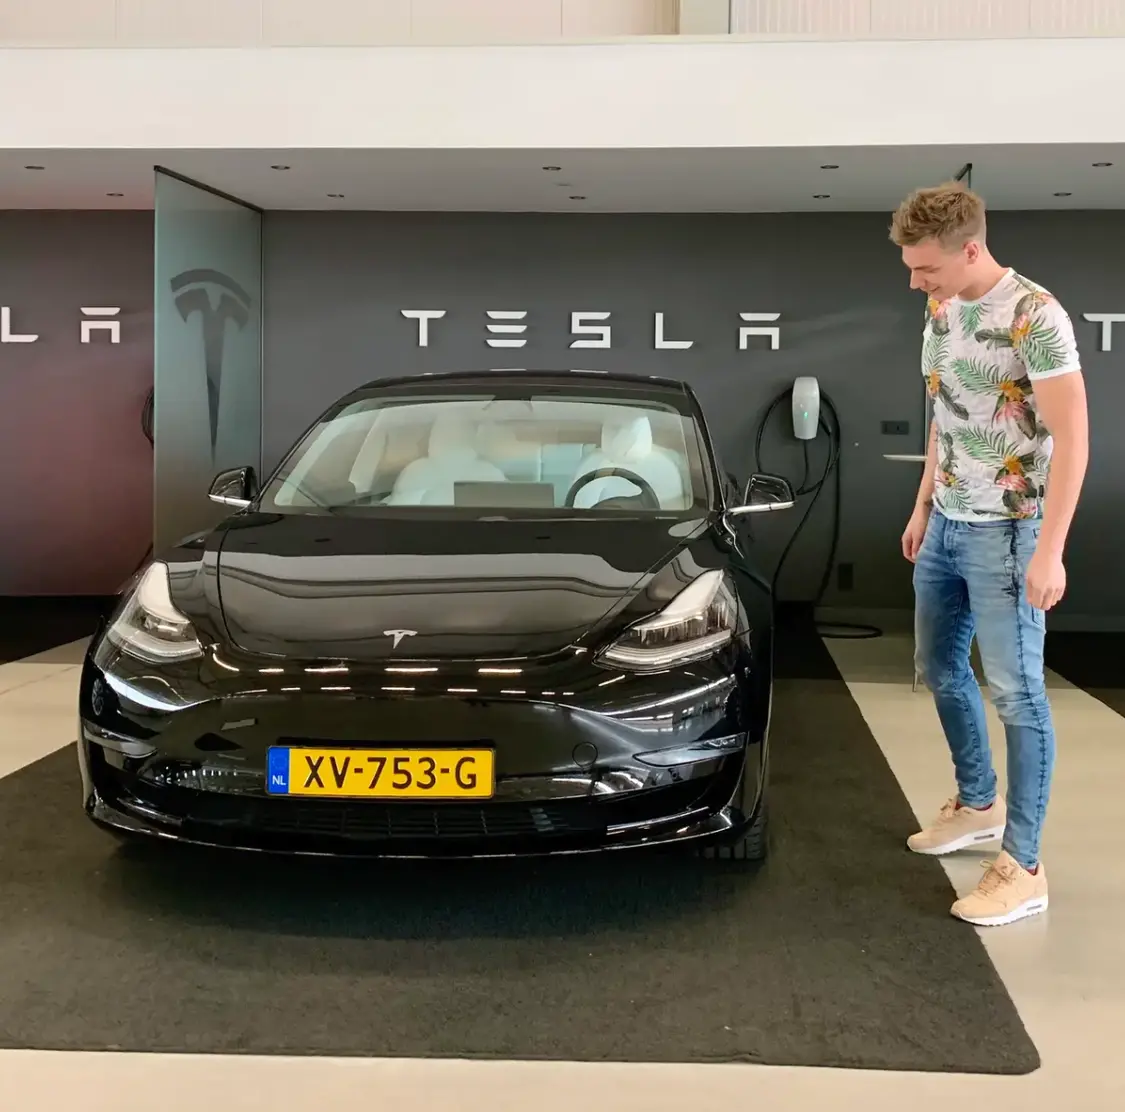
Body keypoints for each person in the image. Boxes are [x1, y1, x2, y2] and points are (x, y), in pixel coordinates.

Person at [890, 181, 1089, 927]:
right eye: (911, 268)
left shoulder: (1035, 315)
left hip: (1010, 531)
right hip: (945, 524)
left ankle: (1024, 866)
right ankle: (977, 803)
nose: (916, 282)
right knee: (939, 669)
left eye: (927, 268)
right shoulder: (942, 309)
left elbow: (1073, 439)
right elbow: (946, 413)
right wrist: (922, 506)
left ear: (970, 249)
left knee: (1016, 694)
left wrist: (1051, 551)